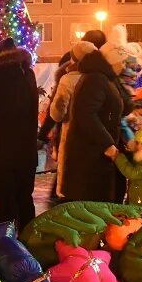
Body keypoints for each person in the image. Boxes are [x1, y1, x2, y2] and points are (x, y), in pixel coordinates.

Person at [0, 39, 39, 232]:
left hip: (0, 148)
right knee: (25, 198)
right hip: (26, 148)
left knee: (5, 200)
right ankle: (29, 239)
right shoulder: (28, 73)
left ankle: (8, 244)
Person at [58, 48, 132, 203]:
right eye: (122, 61)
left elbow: (125, 106)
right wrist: (107, 143)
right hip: (90, 155)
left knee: (103, 202)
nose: (124, 66)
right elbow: (86, 115)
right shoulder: (96, 80)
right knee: (93, 204)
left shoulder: (106, 79)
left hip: (97, 153)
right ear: (112, 61)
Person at [49, 41, 97, 197]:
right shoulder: (103, 78)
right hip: (97, 137)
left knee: (73, 187)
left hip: (73, 136)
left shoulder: (68, 80)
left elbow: (57, 113)